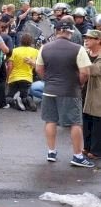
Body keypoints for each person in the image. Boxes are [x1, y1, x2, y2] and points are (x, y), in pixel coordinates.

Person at [35, 19, 94, 168]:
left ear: (57, 31)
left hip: (49, 90)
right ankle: (77, 156)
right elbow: (85, 72)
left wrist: (48, 80)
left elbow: (39, 69)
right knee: (75, 123)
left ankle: (51, 152)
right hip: (70, 91)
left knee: (50, 120)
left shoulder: (45, 48)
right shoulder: (78, 49)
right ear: (70, 32)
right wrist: (79, 84)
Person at [6, 33, 39, 111]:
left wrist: (7, 78)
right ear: (31, 41)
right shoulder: (36, 51)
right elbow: (38, 65)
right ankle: (27, 100)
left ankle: (15, 101)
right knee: (24, 95)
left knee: (8, 97)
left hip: (14, 78)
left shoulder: (14, 51)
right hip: (27, 78)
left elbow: (10, 66)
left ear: (21, 41)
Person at [83, 30, 101, 159]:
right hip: (86, 93)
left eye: (90, 38)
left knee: (98, 122)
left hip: (98, 94)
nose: (87, 40)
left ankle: (96, 151)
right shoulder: (87, 54)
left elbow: (94, 70)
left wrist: (81, 60)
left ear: (98, 40)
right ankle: (87, 147)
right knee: (87, 120)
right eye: (86, 38)